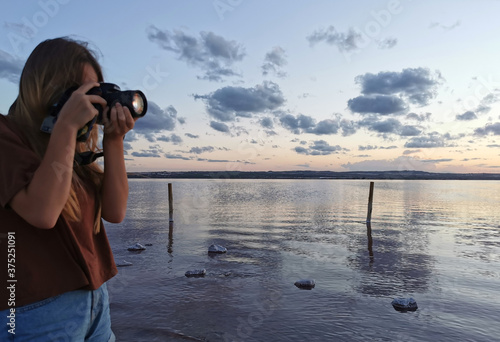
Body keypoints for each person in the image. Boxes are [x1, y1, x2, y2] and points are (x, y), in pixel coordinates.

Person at [0, 37, 136, 341]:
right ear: (47, 86)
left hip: (94, 300)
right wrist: (65, 127)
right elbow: (42, 212)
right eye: (83, 91)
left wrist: (113, 141)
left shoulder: (74, 149)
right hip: (31, 308)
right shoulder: (6, 136)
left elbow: (115, 212)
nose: (91, 101)